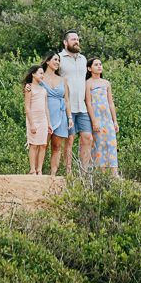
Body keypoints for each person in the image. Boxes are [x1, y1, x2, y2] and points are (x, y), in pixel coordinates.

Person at [58, 30, 98, 171]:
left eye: (77, 39)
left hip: (83, 107)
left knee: (88, 138)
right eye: (73, 39)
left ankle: (84, 171)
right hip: (67, 107)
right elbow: (47, 75)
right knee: (69, 140)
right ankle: (68, 170)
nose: (76, 41)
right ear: (65, 42)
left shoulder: (83, 59)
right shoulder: (59, 58)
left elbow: (88, 79)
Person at [39, 50, 73, 178]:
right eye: (55, 59)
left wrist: (69, 117)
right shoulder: (40, 78)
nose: (57, 62)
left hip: (60, 113)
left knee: (57, 146)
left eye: (59, 60)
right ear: (47, 61)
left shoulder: (62, 79)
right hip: (45, 114)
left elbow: (67, 100)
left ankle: (53, 174)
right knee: (43, 144)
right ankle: (39, 172)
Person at [85, 58, 119, 177]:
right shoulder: (88, 83)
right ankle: (102, 174)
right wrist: (94, 121)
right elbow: (88, 103)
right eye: (96, 65)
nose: (99, 66)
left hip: (107, 118)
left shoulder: (106, 83)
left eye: (100, 64)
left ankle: (115, 174)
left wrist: (115, 121)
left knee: (111, 143)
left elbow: (111, 103)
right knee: (99, 145)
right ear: (89, 68)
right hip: (96, 118)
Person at [22, 64, 52, 175]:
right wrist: (31, 124)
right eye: (40, 73)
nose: (42, 75)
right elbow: (27, 107)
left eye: (43, 73)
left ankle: (40, 169)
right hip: (33, 119)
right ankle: (32, 169)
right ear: (33, 74)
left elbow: (46, 107)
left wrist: (49, 123)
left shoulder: (44, 90)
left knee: (43, 144)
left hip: (43, 119)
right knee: (33, 144)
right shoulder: (29, 88)